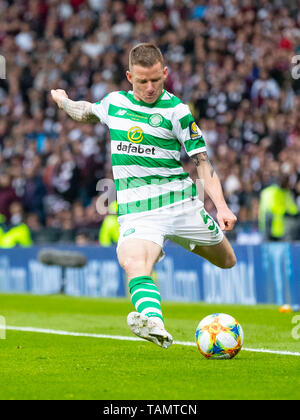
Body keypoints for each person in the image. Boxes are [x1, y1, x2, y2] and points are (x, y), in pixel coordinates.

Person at [51, 43, 237, 349]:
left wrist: (222, 207)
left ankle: (185, 239)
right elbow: (85, 112)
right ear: (129, 76)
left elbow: (202, 162)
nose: (150, 88)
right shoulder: (114, 104)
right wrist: (63, 101)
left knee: (228, 261)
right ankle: (154, 324)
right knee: (135, 263)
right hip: (139, 210)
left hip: (182, 205)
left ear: (165, 73)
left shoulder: (177, 112)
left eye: (156, 80)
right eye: (142, 81)